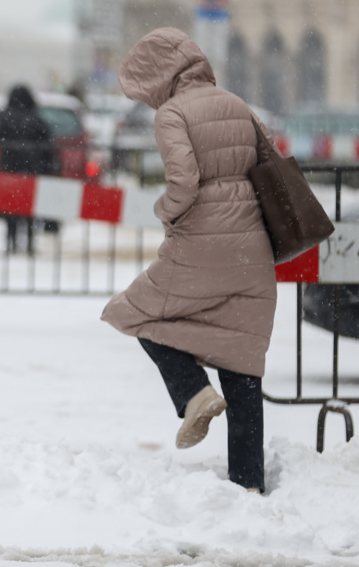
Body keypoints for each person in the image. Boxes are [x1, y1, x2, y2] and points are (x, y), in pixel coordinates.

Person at [100, 28, 278, 493]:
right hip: (251, 246)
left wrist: (164, 213)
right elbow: (273, 164)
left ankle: (193, 392)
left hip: (200, 241)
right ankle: (248, 484)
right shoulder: (237, 104)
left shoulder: (172, 114)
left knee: (133, 312)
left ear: (160, 77)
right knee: (241, 357)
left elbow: (184, 181)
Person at [0, 84, 53, 254]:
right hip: (31, 170)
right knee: (29, 208)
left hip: (9, 169)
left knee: (10, 209)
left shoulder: (5, 117)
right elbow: (47, 142)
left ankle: (10, 243)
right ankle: (30, 243)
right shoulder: (35, 118)